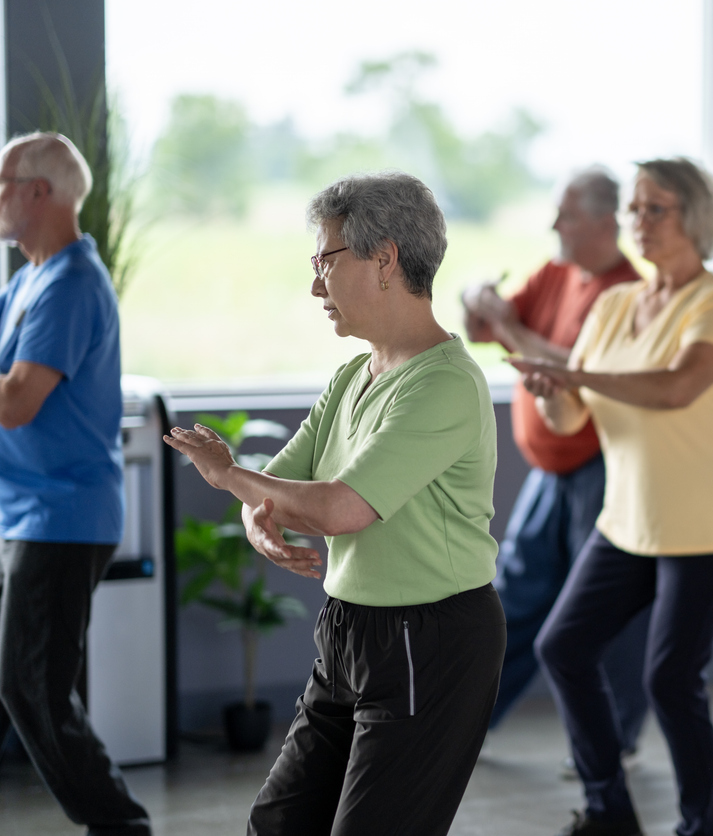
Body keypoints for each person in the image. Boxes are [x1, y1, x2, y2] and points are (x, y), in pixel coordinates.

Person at [164, 172, 506, 836]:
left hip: (429, 641)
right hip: (350, 632)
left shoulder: (444, 385)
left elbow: (337, 509)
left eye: (326, 260)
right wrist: (255, 516)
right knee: (279, 825)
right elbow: (282, 485)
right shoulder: (355, 375)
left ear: (384, 261)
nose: (315, 284)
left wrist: (232, 479)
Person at [512, 157, 713, 836]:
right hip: (628, 517)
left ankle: (697, 826)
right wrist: (556, 393)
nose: (639, 222)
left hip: (707, 516)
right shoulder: (615, 304)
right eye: (636, 210)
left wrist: (578, 372)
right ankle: (607, 811)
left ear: (696, 218)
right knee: (562, 647)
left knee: (670, 680)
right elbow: (575, 419)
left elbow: (675, 389)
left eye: (657, 209)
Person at [461, 167, 650, 757]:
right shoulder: (554, 272)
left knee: (605, 610)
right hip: (552, 472)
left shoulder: (628, 292)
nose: (553, 225)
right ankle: (467, 721)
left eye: (564, 214)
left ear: (601, 221)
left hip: (603, 469)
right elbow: (485, 328)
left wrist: (512, 326)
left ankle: (613, 739)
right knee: (516, 594)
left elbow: (576, 366)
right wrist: (478, 297)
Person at [0, 132, 150, 836]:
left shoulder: (69, 283)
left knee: (34, 688)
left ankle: (121, 827)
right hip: (30, 510)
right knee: (32, 684)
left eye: (3, 182)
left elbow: (16, 401)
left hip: (62, 516)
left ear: (40, 191)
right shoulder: (27, 278)